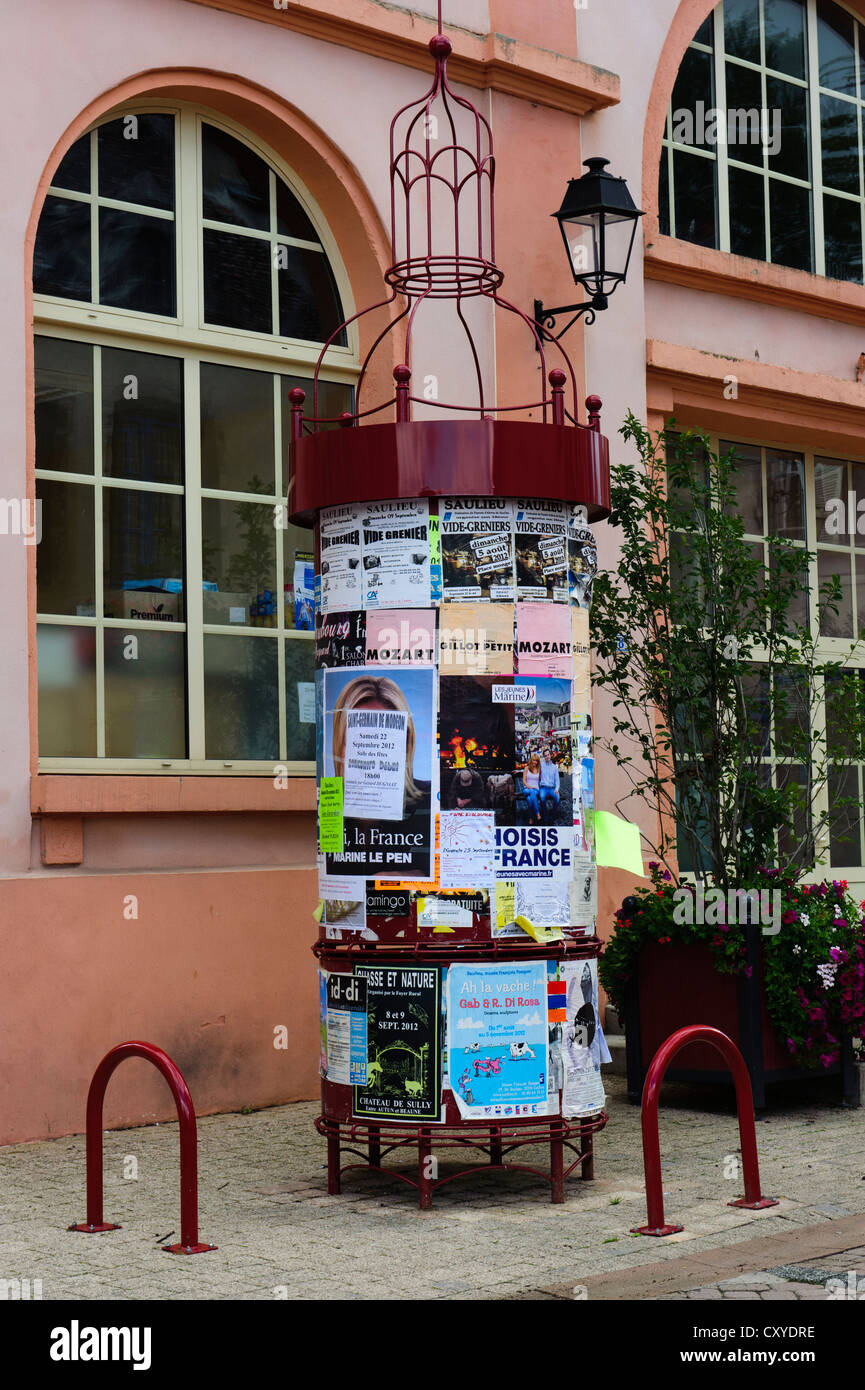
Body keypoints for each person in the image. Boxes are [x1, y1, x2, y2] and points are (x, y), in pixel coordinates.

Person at [539, 746, 560, 820]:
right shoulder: (541, 765)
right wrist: (519, 771)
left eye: (548, 755)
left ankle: (553, 815)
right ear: (544, 757)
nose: (547, 757)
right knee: (542, 798)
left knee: (557, 798)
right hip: (543, 788)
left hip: (551, 788)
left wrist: (557, 789)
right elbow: (532, 770)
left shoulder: (554, 767)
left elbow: (557, 780)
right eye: (545, 755)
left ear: (550, 755)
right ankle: (545, 815)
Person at [523, 753, 542, 824]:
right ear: (531, 760)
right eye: (534, 760)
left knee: (529, 799)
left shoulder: (539, 769)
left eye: (536, 761)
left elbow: (542, 779)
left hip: (536, 789)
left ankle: (531, 818)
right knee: (531, 792)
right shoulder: (526, 768)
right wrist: (529, 786)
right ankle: (537, 813)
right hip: (526, 789)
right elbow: (524, 781)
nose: (535, 762)